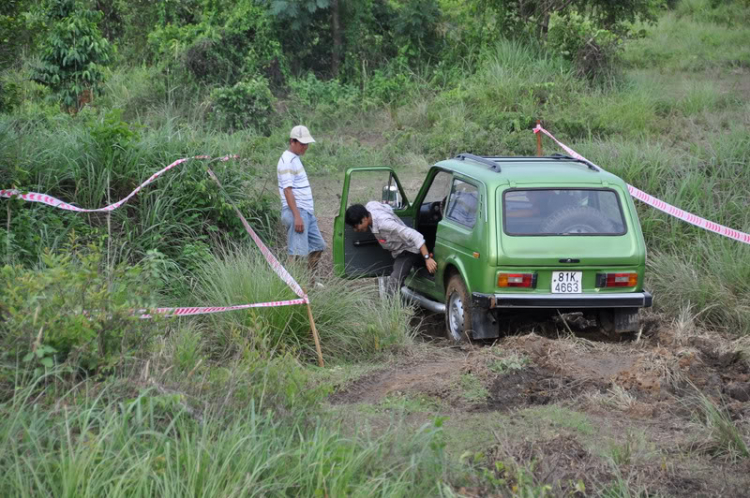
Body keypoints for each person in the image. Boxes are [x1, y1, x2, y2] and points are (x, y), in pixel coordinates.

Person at [345, 201, 437, 296]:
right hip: (397, 250)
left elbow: (416, 236)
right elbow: (387, 207)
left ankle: (392, 309)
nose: (356, 230)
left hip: (408, 250)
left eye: (356, 226)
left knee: (393, 284)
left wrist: (427, 258)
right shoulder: (370, 205)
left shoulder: (386, 225)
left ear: (364, 218)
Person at [278, 125, 326, 280]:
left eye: (307, 143)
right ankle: (292, 287)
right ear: (292, 141)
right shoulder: (287, 161)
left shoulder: (295, 159)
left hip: (306, 212)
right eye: (302, 144)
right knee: (296, 253)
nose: (306, 147)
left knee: (318, 246)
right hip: (297, 211)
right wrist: (297, 216)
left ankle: (310, 280)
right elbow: (287, 190)